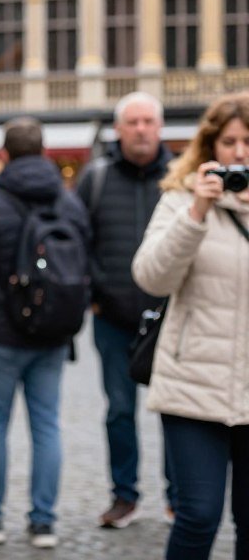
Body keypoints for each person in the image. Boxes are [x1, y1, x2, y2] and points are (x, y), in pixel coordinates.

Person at [0, 117, 90, 549]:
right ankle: (43, 521)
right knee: (47, 425)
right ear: (45, 151)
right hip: (52, 334)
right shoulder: (68, 203)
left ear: (4, 154)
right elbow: (86, 263)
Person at [132, 92, 249, 560]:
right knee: (198, 515)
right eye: (229, 142)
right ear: (211, 148)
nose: (239, 153)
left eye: (247, 142)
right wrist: (197, 214)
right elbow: (150, 276)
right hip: (192, 383)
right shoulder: (181, 199)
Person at [75, 91, 176, 528]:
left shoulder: (180, 178)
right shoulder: (95, 178)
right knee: (119, 410)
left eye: (148, 122)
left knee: (178, 409)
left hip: (172, 318)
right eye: (132, 122)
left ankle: (180, 496)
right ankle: (124, 496)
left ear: (160, 127)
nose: (140, 129)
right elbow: (79, 241)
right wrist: (96, 293)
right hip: (112, 318)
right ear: (118, 129)